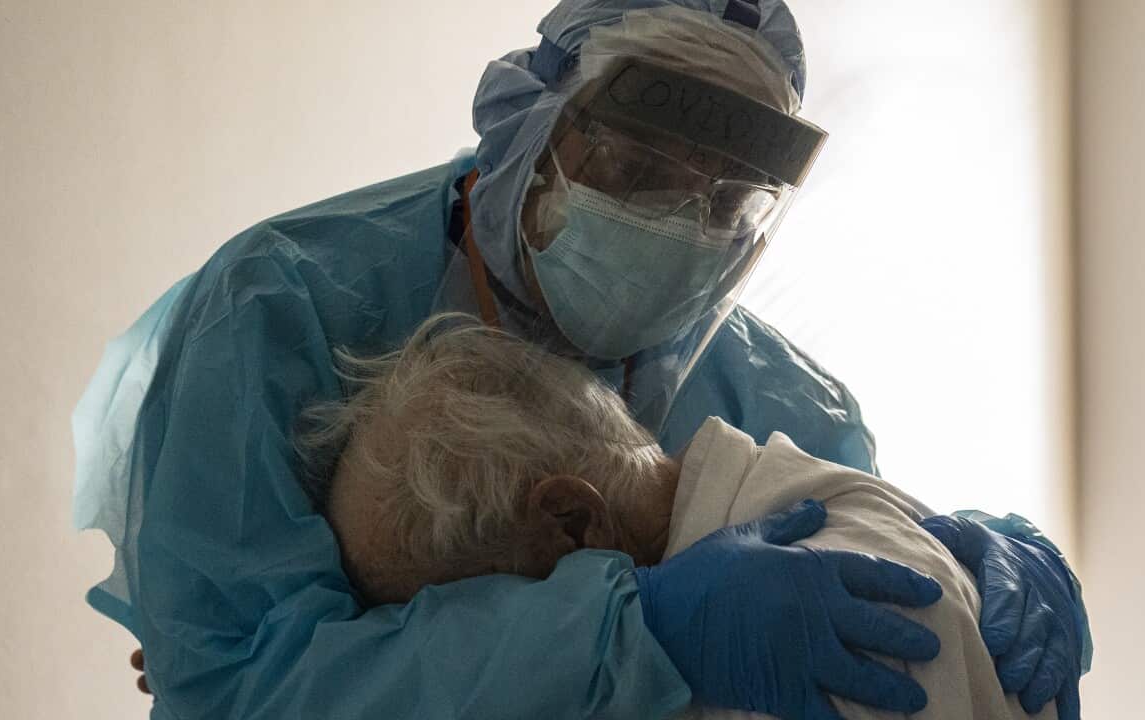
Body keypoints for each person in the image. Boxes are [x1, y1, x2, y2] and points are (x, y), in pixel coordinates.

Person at [73, 2, 1090, 718]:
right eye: (637, 170)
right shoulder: (284, 308)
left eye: (726, 200)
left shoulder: (774, 395)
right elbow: (237, 690)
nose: (679, 224)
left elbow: (870, 626)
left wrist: (954, 551)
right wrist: (629, 636)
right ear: (529, 127)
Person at [299, 312, 1069, 719]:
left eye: (466, 616)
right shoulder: (815, 501)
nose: (490, 668)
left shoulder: (819, 646)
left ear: (570, 521)